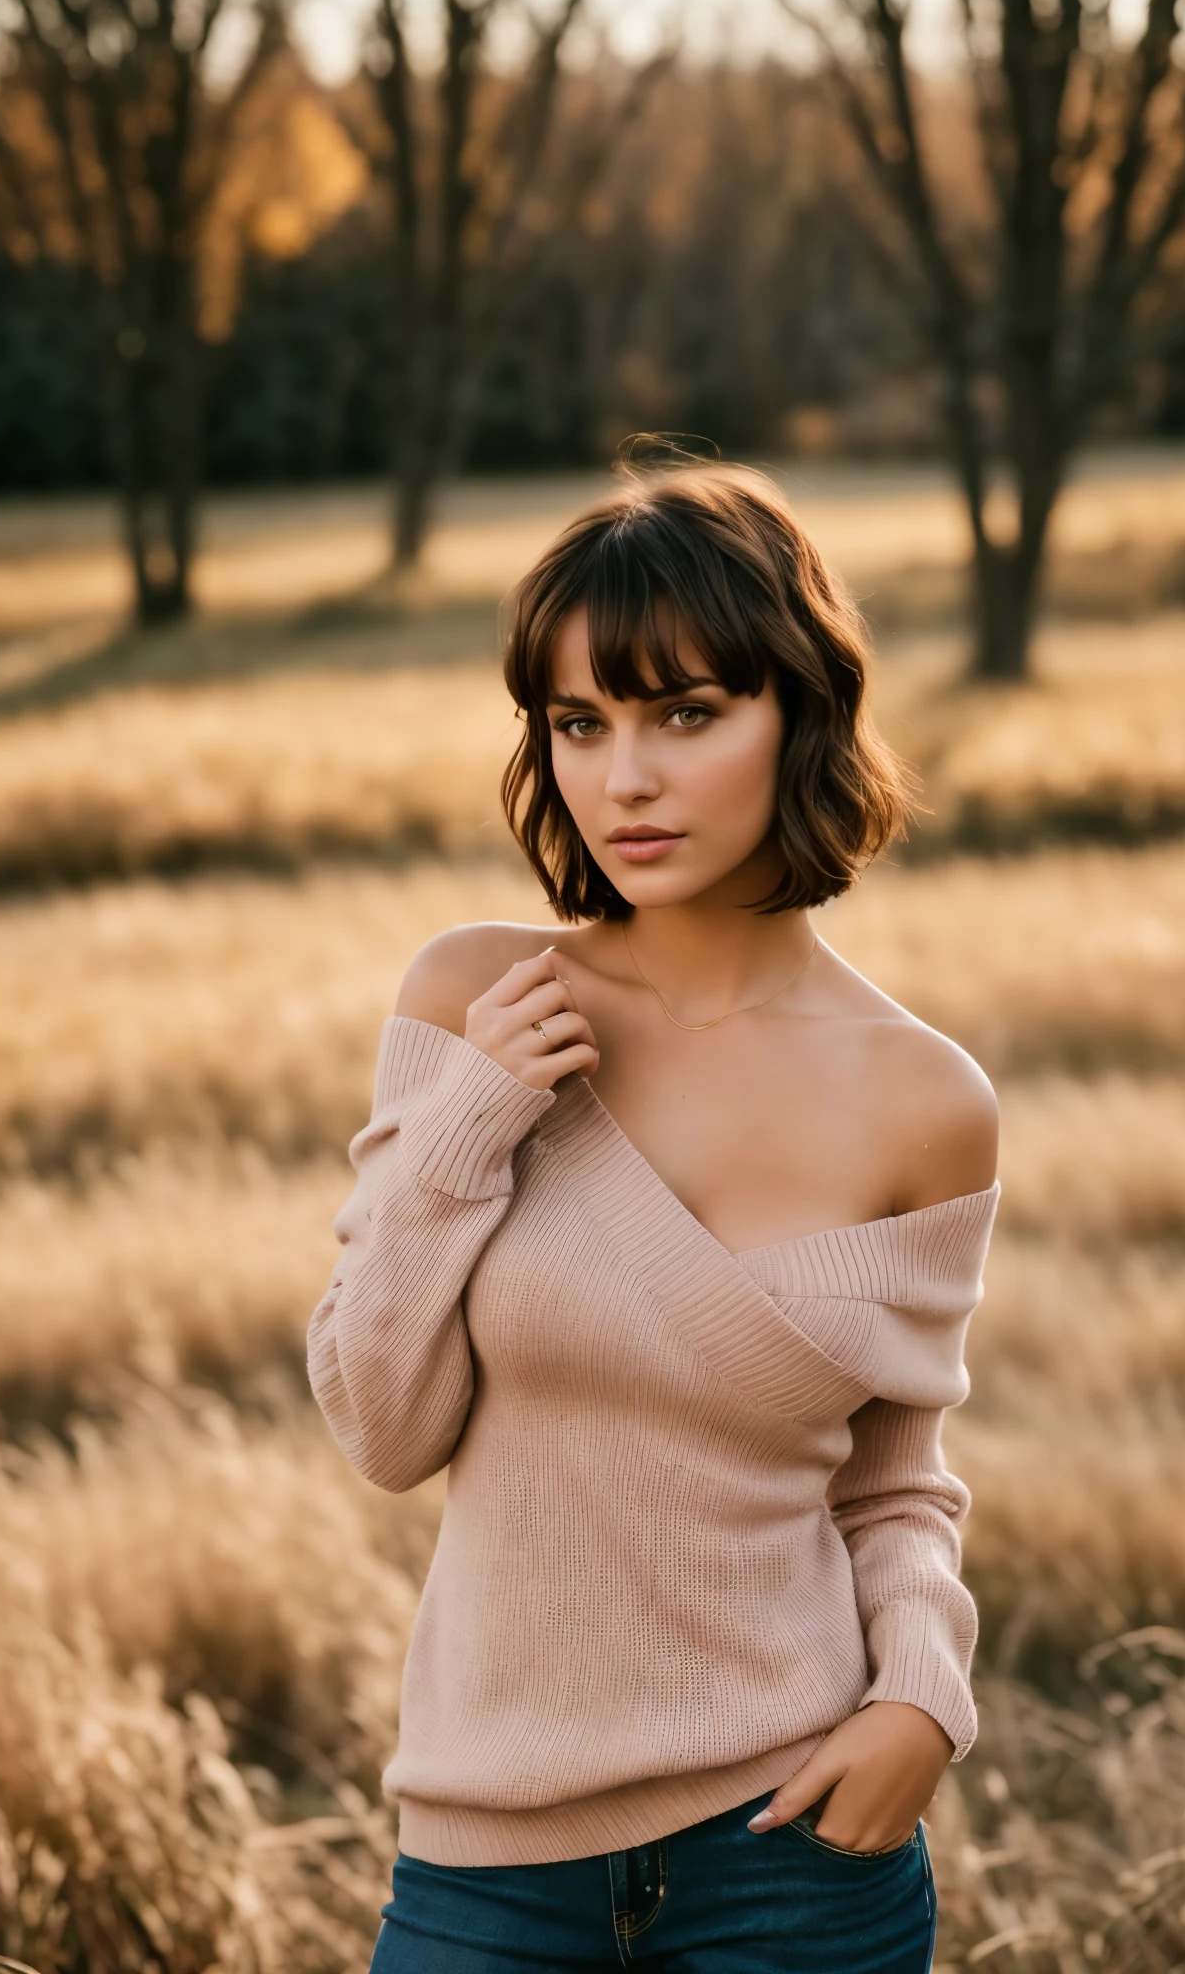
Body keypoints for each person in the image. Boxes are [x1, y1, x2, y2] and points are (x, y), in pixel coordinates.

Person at [308, 460, 1000, 1973]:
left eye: (686, 713)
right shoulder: (473, 1001)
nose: (623, 778)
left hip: (796, 1856)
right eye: (580, 723)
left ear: (800, 712)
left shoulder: (924, 1102)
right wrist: (472, 1121)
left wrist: (919, 1702)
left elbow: (893, 1475)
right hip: (487, 1868)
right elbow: (383, 1426)